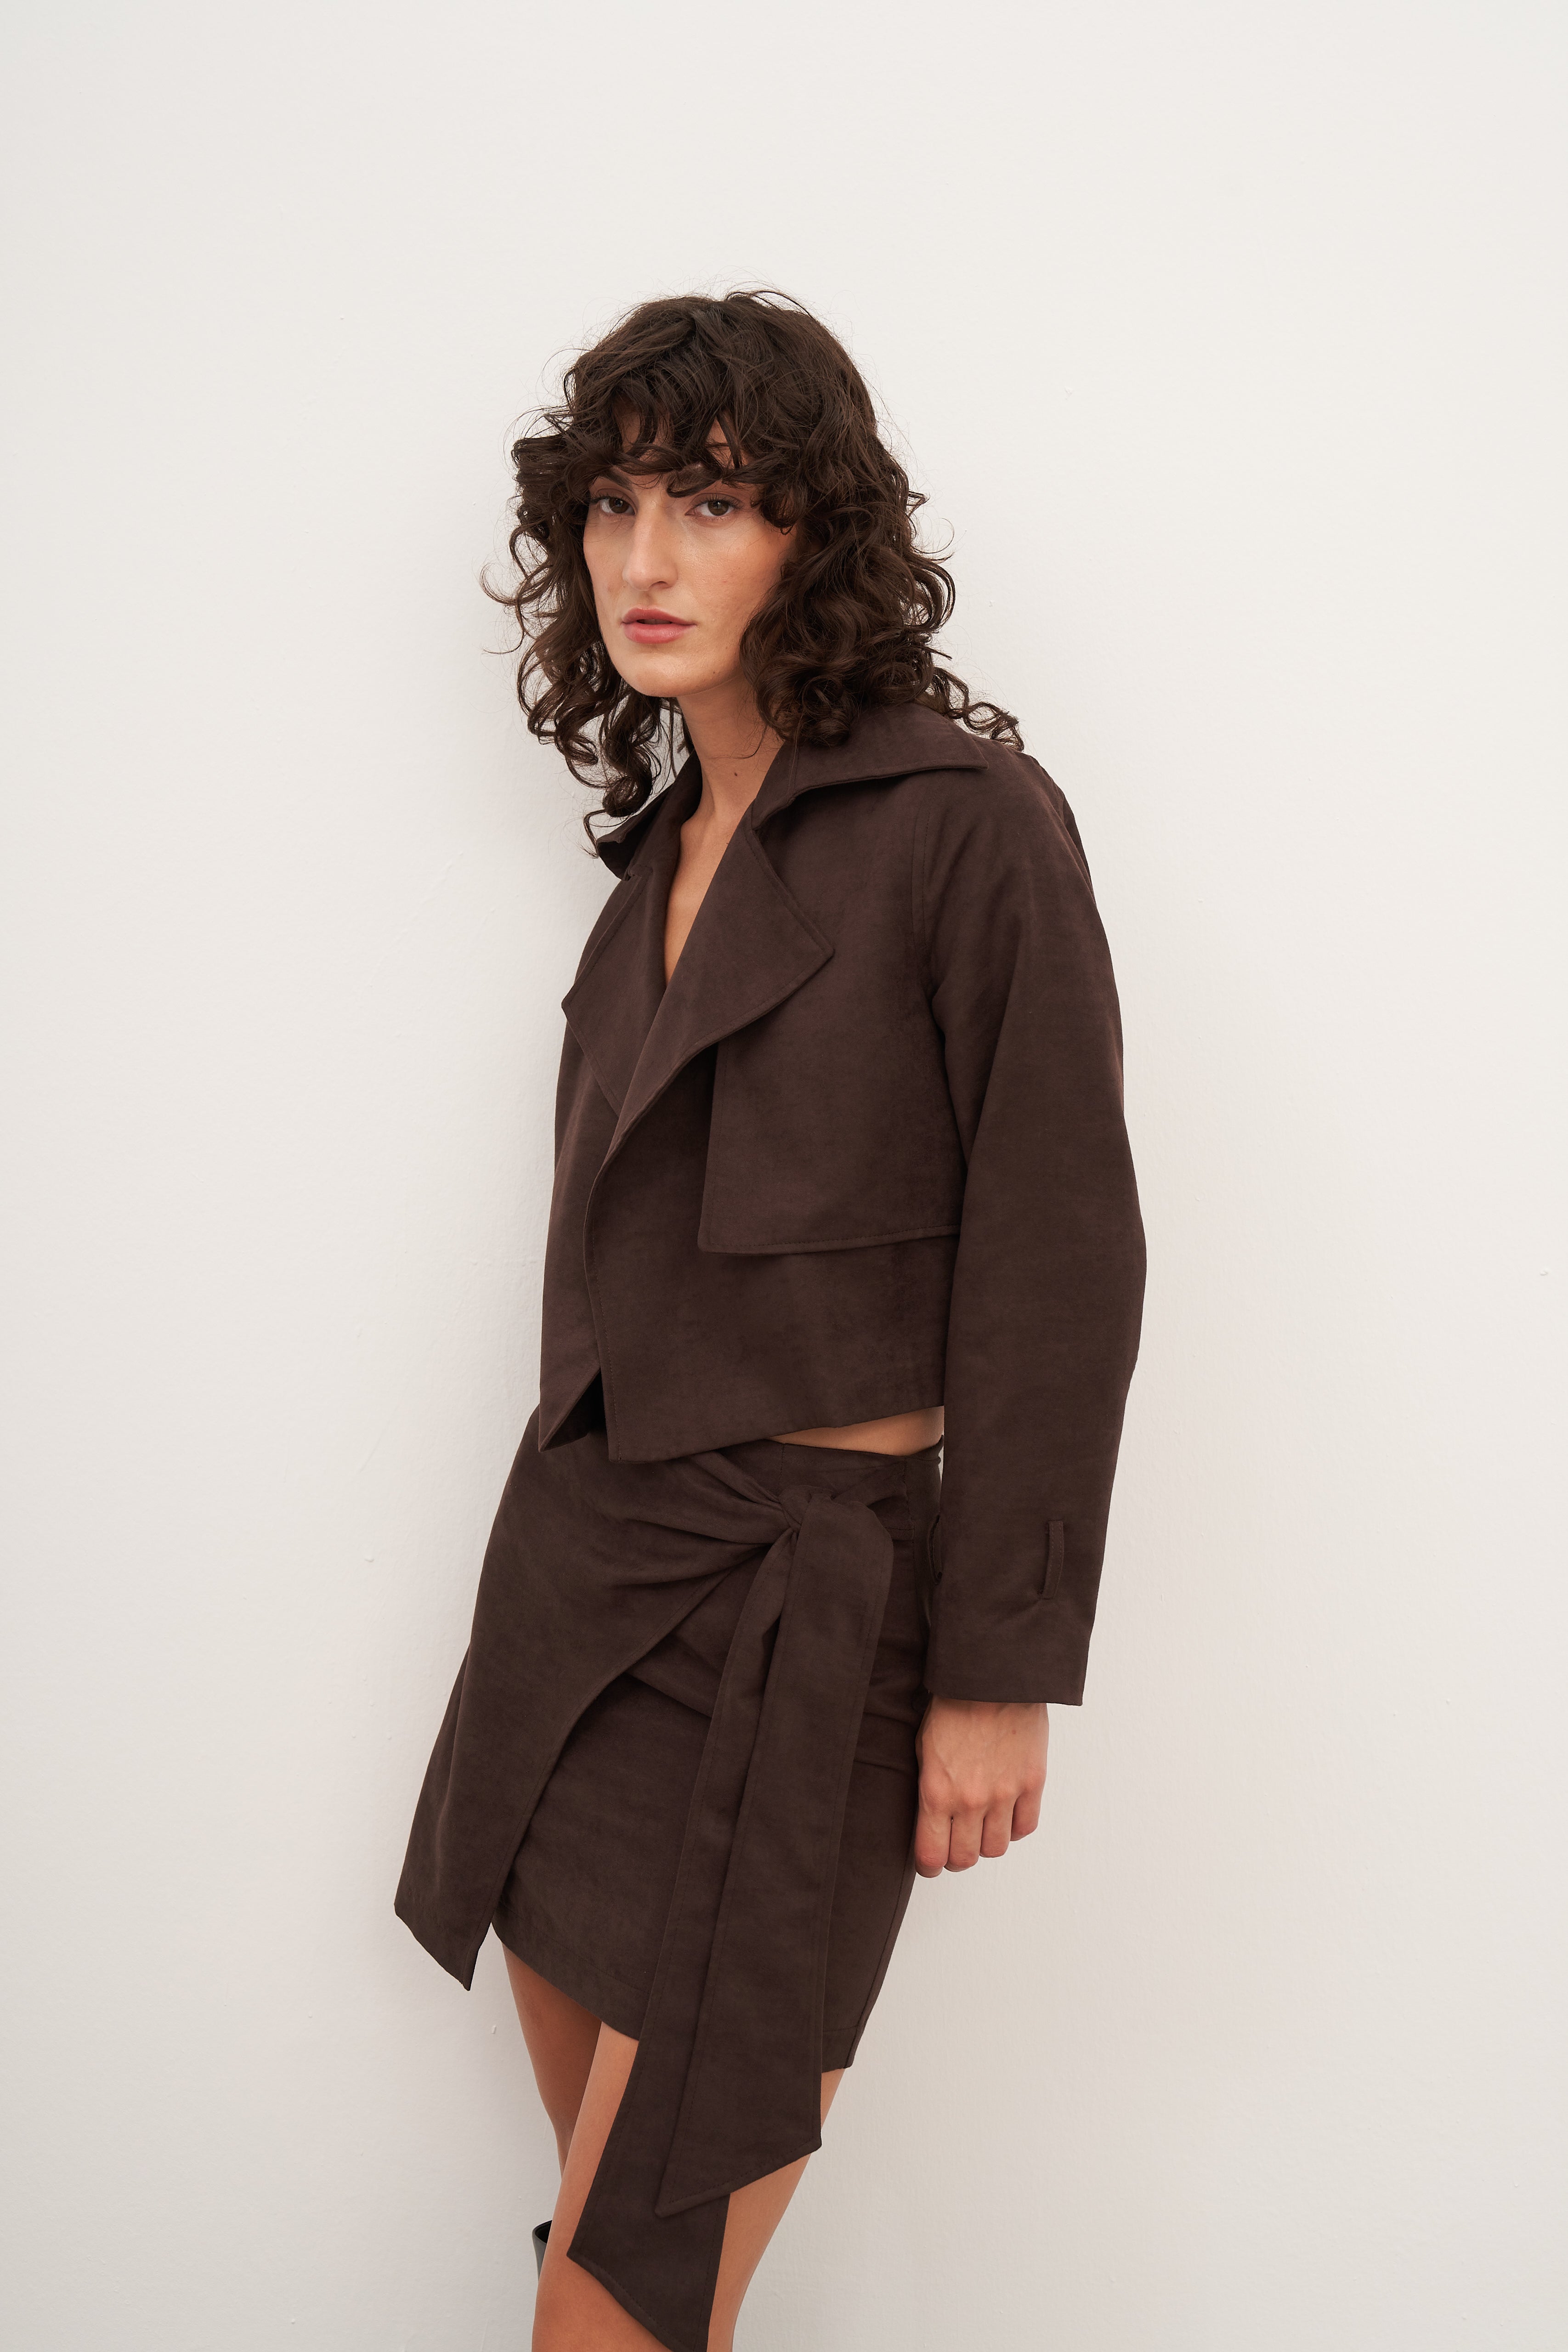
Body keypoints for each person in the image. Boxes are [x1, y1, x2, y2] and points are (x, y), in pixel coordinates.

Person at [396, 289, 1145, 2352]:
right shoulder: (660, 849)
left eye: (711, 503)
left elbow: (1060, 1259)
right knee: (620, 2264)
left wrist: (997, 1663)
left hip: (812, 1610)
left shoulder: (969, 823)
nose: (644, 557)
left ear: (815, 532)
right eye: (612, 503)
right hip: (579, 1595)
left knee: (620, 2292)